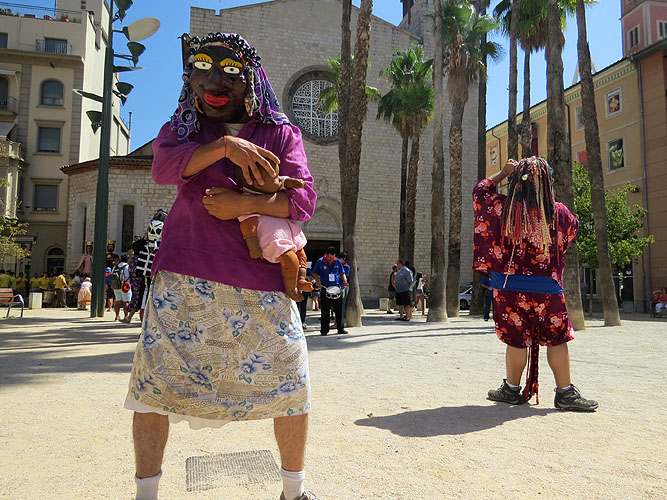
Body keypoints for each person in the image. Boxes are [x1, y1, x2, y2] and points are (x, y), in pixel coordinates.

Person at [123, 32, 319, 500]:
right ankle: (145, 495)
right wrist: (226, 148)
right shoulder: (184, 128)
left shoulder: (280, 133)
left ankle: (294, 492)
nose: (214, 82)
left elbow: (304, 200)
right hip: (183, 277)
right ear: (188, 78)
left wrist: (245, 204)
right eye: (202, 69)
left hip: (262, 282)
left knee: (292, 386)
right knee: (153, 389)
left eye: (230, 72)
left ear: (251, 80)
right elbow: (162, 168)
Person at [473, 156, 598, 411]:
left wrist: (503, 173)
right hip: (546, 288)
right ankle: (565, 393)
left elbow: (480, 192)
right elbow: (572, 231)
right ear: (548, 182)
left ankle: (511, 389)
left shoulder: (501, 209)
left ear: (516, 182)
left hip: (508, 287)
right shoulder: (558, 213)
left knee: (516, 340)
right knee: (557, 339)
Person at [312, 247, 348, 336]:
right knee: (325, 312)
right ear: (326, 254)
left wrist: (345, 282)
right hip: (325, 290)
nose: (330, 259)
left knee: (338, 311)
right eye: (328, 257)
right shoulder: (320, 261)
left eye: (332, 257)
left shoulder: (337, 261)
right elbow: (314, 273)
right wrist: (318, 281)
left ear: (334, 255)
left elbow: (342, 273)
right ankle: (324, 331)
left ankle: (340, 328)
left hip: (336, 289)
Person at [111, 255, 131, 321]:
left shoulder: (115, 267)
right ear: (127, 259)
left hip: (116, 286)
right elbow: (129, 276)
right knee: (126, 301)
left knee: (117, 301)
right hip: (125, 286)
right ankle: (126, 316)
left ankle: (117, 316)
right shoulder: (127, 267)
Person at [340, 251, 351, 326]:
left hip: (343, 287)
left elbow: (345, 276)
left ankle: (341, 321)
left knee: (342, 305)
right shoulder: (339, 265)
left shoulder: (346, 267)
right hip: (339, 286)